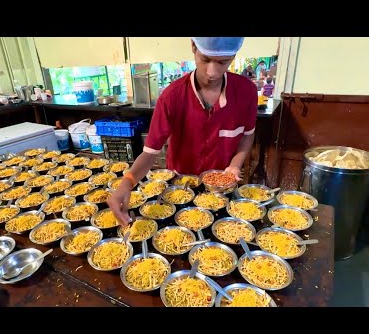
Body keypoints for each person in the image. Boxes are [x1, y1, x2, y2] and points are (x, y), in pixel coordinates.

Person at [108, 37, 258, 226]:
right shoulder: (172, 97)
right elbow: (149, 152)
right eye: (205, 59)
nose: (212, 72)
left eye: (222, 62)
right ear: (193, 46)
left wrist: (235, 165)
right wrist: (127, 182)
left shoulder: (246, 92)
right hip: (181, 187)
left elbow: (247, 134)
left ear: (234, 56)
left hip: (222, 185)